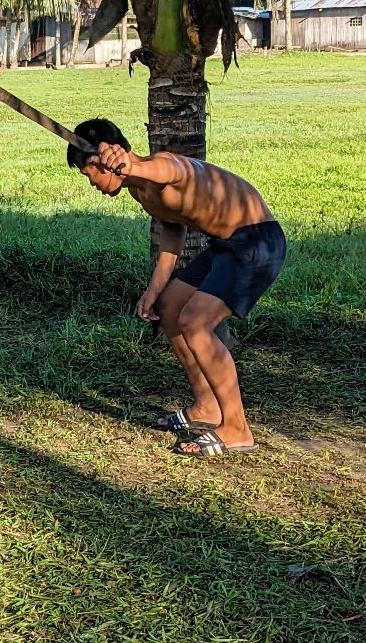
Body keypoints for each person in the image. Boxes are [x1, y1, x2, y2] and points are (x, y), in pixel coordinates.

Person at [68, 119, 286, 458]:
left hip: (256, 241)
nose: (92, 184)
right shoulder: (140, 190)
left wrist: (131, 162)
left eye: (88, 175)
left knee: (195, 323)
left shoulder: (159, 167)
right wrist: (154, 290)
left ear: (100, 161)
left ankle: (237, 429)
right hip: (227, 244)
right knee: (170, 309)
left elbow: (173, 170)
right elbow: (172, 228)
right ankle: (207, 406)